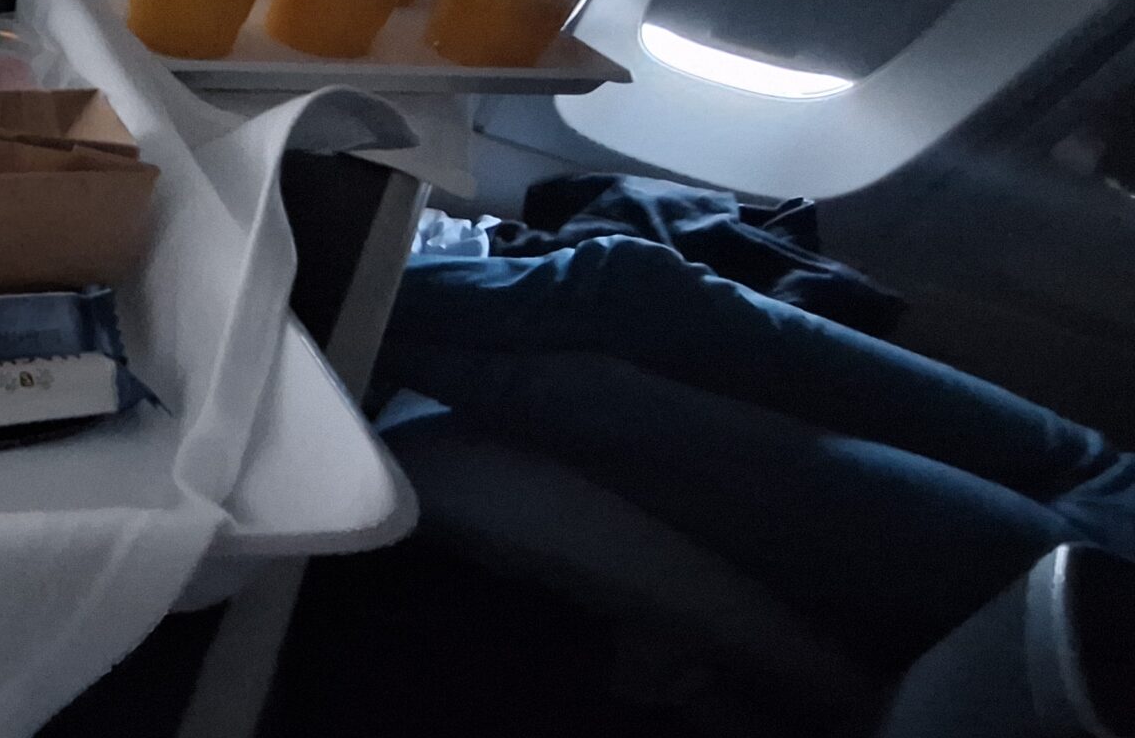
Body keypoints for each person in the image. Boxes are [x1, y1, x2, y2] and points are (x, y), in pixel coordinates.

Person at [374, 234, 1135, 670]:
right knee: (634, 283)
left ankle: (327, 295)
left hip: (1096, 603)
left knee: (579, 392)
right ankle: (339, 263)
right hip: (1113, 480)